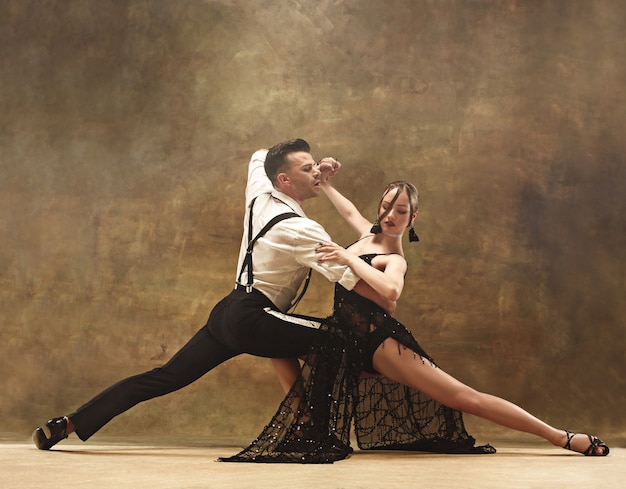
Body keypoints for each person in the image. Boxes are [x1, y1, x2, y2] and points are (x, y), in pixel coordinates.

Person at [220, 165, 610, 463]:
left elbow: (391, 292)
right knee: (272, 338)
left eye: (400, 210)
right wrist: (326, 184)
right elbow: (351, 210)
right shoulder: (365, 234)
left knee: (465, 398)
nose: (390, 214)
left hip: (379, 343)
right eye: (387, 206)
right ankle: (304, 424)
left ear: (412, 219)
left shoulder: (393, 258)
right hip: (346, 337)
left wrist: (345, 259)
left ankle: (560, 436)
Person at [32, 138, 394, 450]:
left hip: (227, 312)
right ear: (283, 180)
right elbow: (352, 281)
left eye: (315, 165)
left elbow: (259, 155)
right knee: (338, 342)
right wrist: (387, 277)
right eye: (307, 169)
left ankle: (68, 424)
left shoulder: (260, 192)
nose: (316, 173)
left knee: (164, 377)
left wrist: (313, 168)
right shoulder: (303, 229)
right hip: (254, 317)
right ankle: (310, 432)